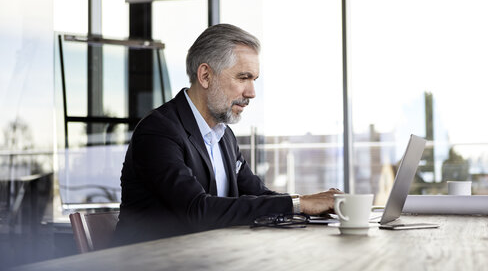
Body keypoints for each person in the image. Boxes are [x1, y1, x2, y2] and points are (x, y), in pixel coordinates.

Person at [113, 24, 342, 245]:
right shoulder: (158, 131)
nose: (251, 92)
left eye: (254, 80)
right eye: (243, 78)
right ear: (205, 76)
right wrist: (300, 204)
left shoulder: (224, 136)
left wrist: (314, 205)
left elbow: (260, 195)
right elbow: (197, 210)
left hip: (206, 264)